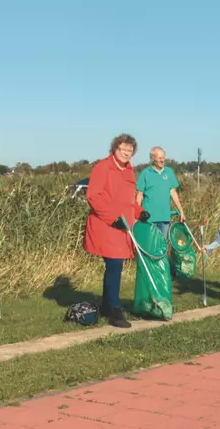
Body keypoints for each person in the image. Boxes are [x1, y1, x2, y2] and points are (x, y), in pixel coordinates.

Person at [84, 134, 150, 328]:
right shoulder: (102, 168)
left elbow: (128, 200)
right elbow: (94, 196)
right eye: (123, 150)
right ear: (114, 149)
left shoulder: (129, 171)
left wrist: (140, 212)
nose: (126, 154)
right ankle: (114, 310)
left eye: (130, 151)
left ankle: (107, 305)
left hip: (123, 227)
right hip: (106, 226)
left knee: (114, 267)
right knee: (115, 265)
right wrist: (113, 218)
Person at [136, 146, 186, 239]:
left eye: (163, 157)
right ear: (152, 158)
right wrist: (137, 214)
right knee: (150, 246)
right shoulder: (145, 173)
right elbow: (140, 195)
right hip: (149, 218)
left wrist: (181, 211)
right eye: (159, 158)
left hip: (164, 217)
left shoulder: (169, 172)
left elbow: (173, 192)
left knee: (162, 247)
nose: (162, 160)